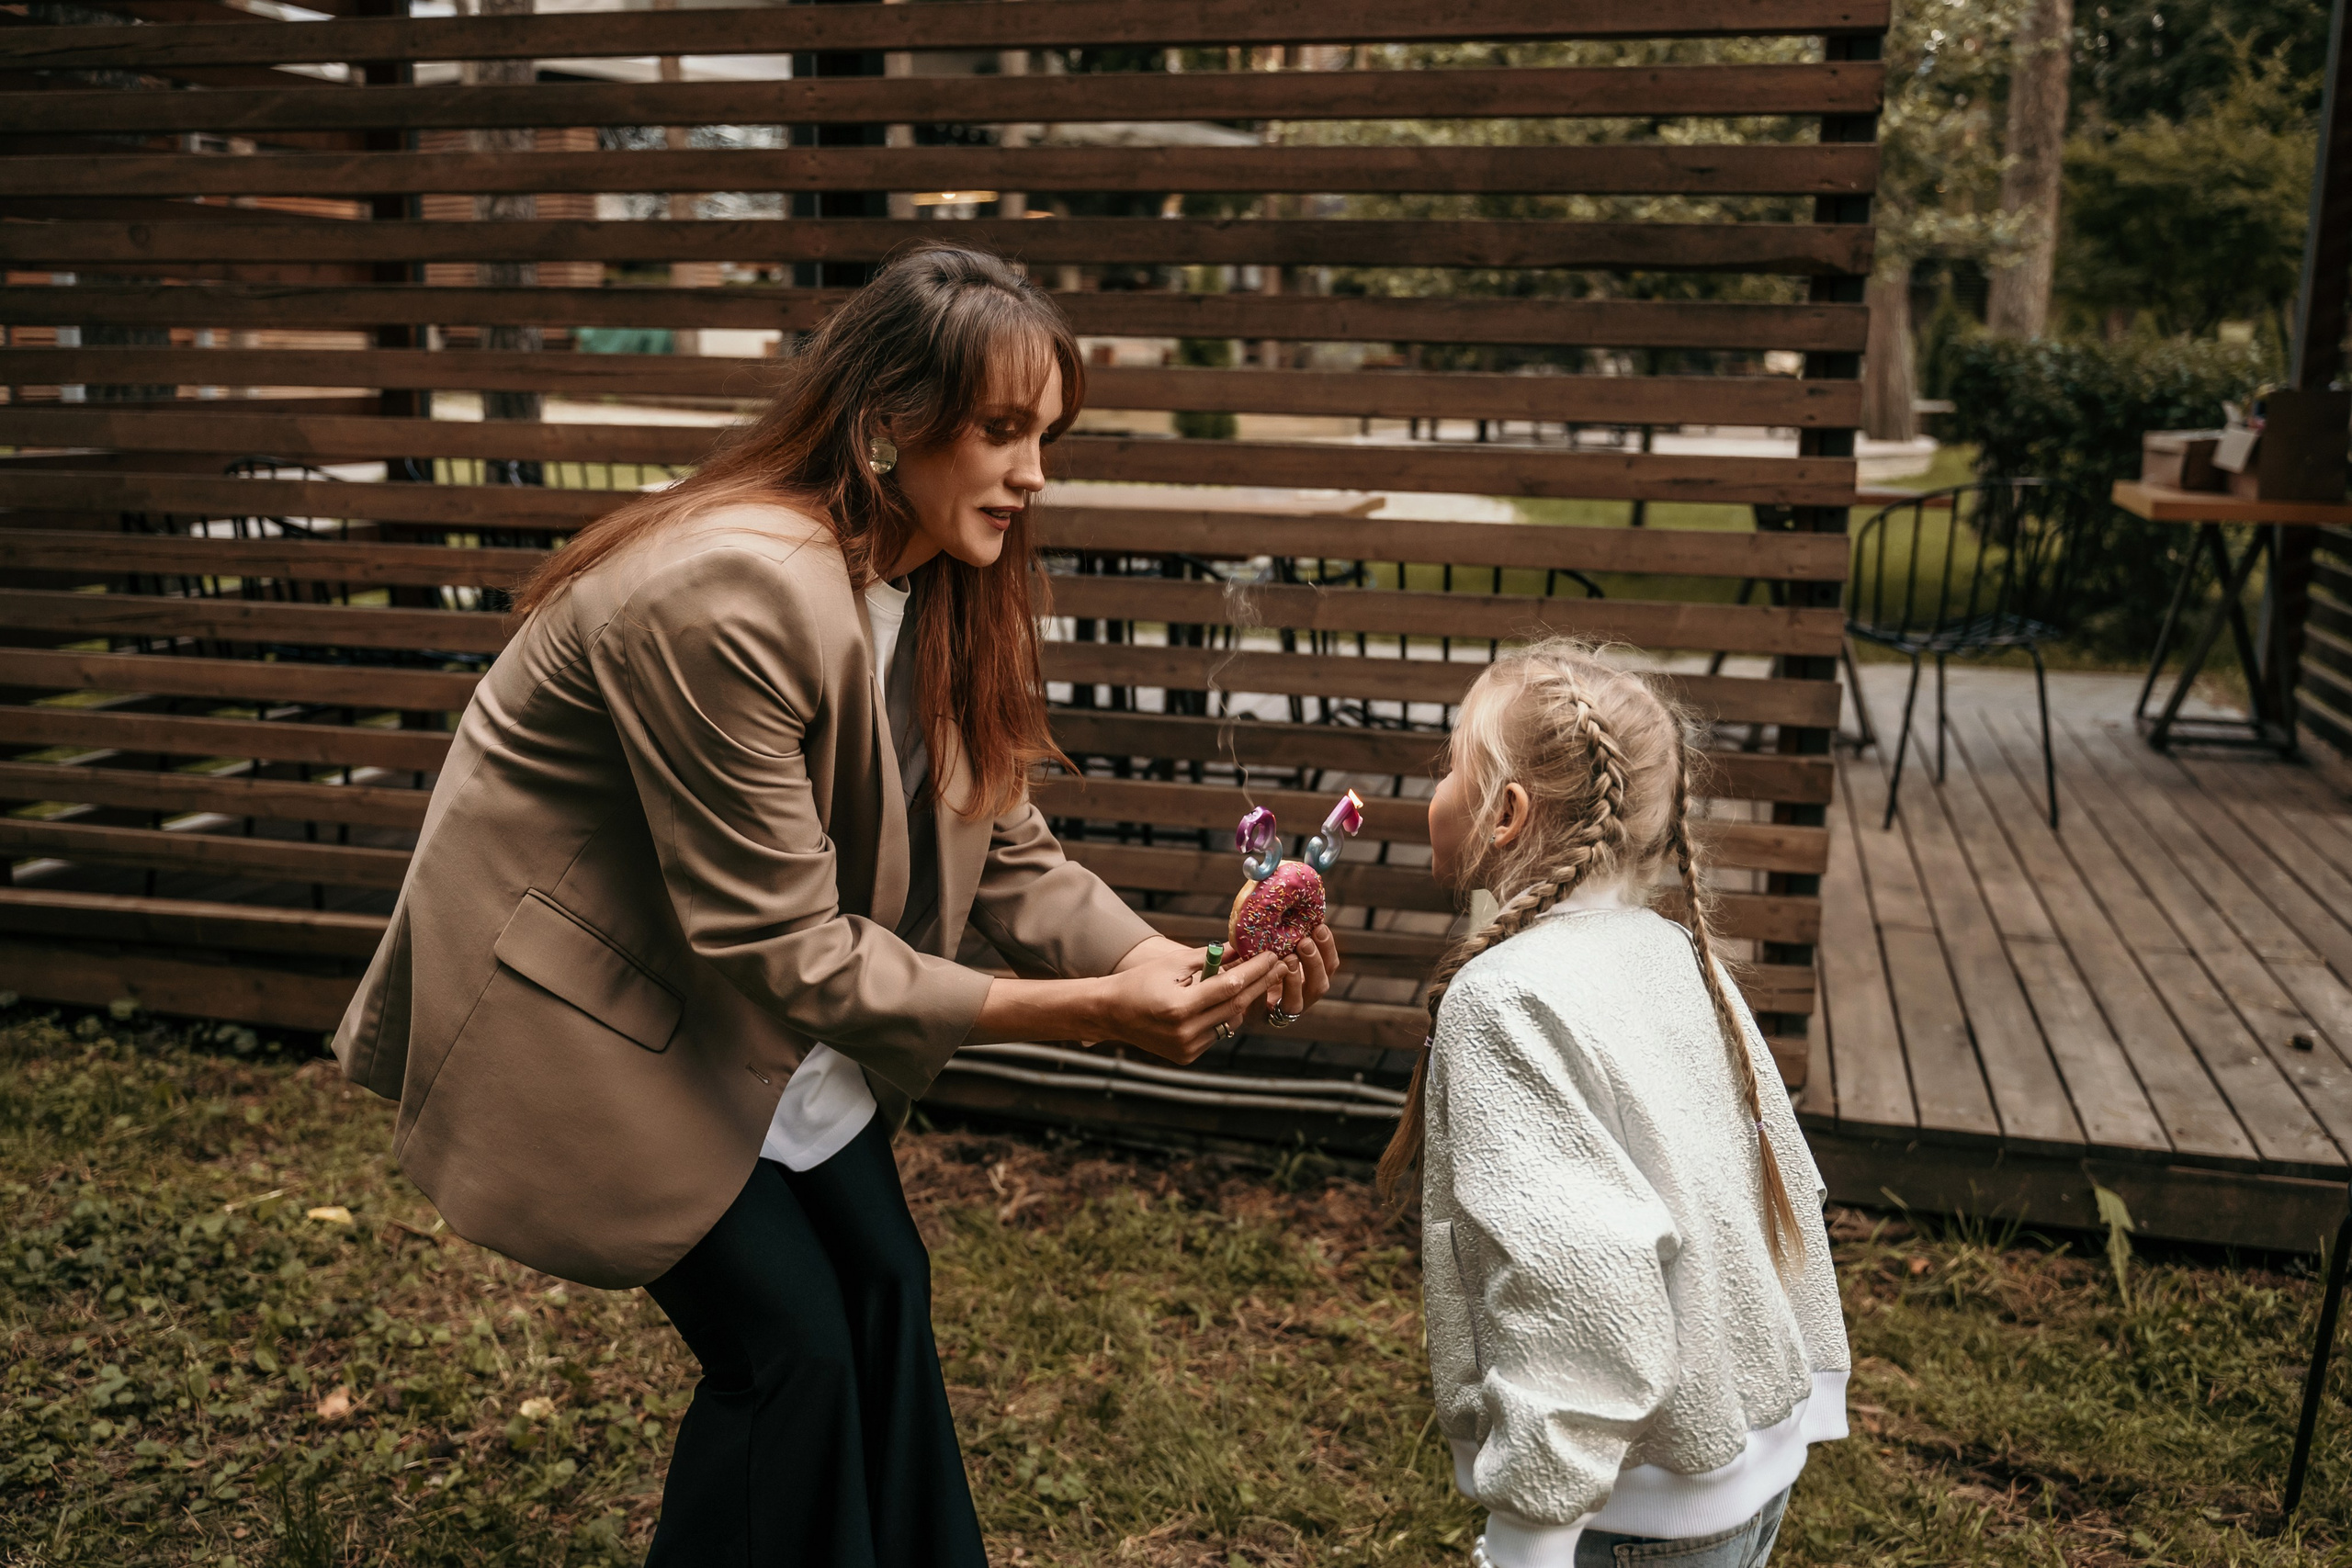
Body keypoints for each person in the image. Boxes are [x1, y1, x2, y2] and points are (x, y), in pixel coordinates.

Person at [331, 244, 1340, 1566]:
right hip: (601, 1001)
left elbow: (1013, 853)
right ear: (885, 425)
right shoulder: (728, 589)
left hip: (748, 996)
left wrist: (1173, 959)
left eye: (1047, 435)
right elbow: (783, 942)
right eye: (1002, 431)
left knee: (884, 1284)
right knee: (788, 1346)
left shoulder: (938, 579)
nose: (1036, 473)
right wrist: (1093, 1012)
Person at [1379, 640, 1848, 1568]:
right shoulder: (1676, 953)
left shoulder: (1504, 999)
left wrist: (1528, 1536)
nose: (1432, 787)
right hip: (1747, 1462)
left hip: (1626, 1512)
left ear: (1505, 814)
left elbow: (1573, 1282)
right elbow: (1783, 1179)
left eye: (1447, 765)